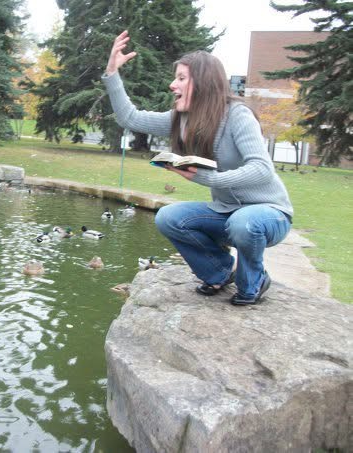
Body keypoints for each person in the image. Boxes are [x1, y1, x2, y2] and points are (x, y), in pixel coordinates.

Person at [102, 31, 293, 305]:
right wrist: (112, 72)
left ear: (203, 83)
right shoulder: (182, 119)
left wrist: (207, 178)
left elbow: (262, 169)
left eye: (181, 78)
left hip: (269, 215)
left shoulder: (238, 116)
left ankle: (253, 282)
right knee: (169, 217)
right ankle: (219, 272)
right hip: (226, 213)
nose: (172, 85)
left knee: (245, 222)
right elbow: (130, 117)